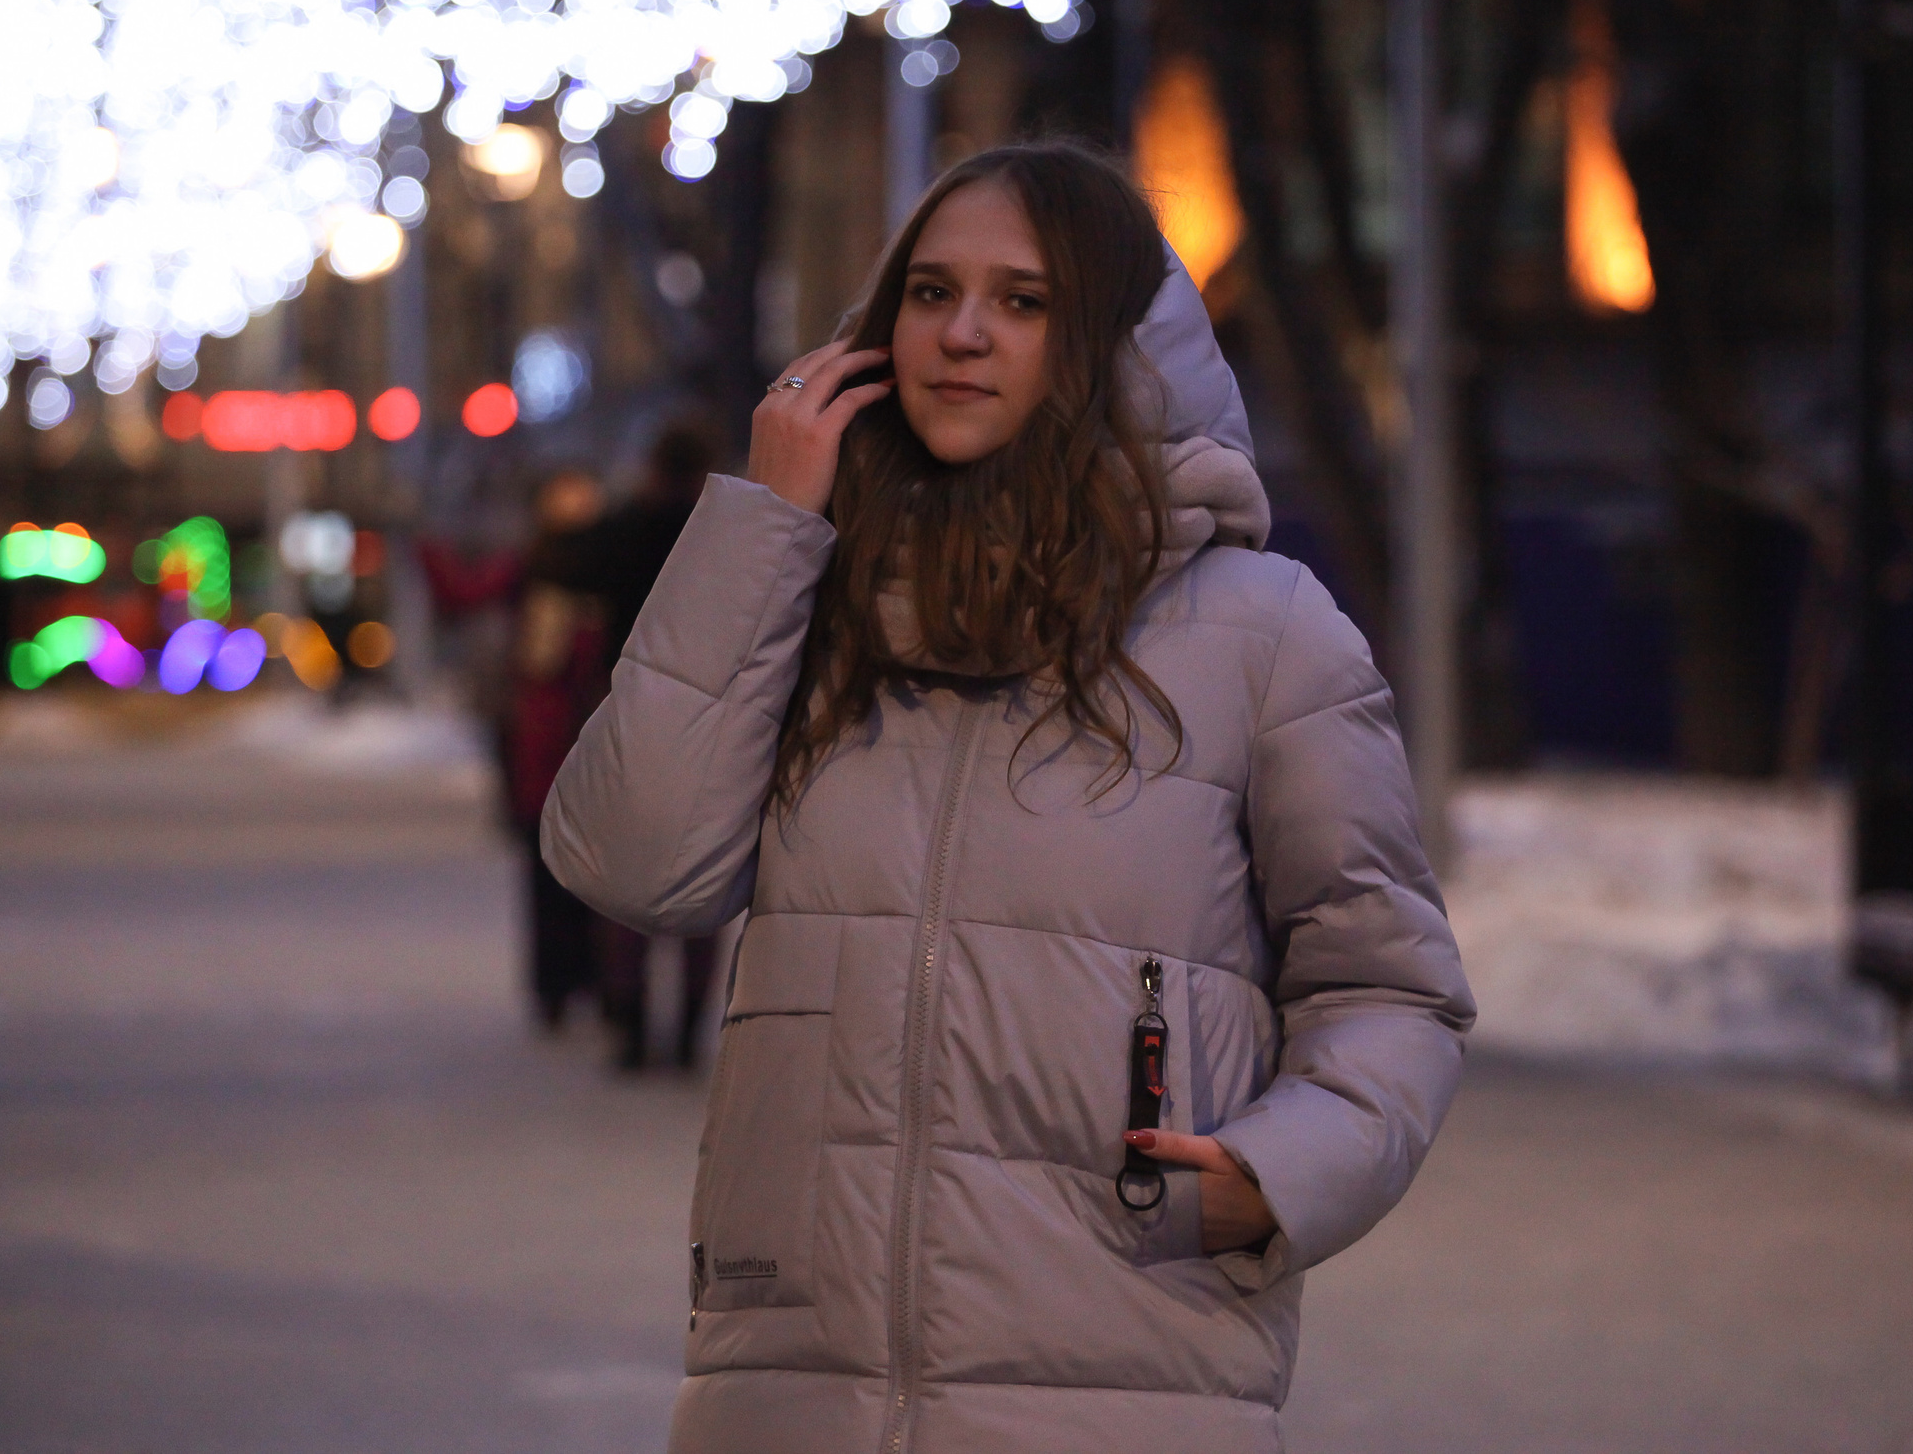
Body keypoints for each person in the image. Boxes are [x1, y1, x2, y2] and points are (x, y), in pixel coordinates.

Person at [543, 144, 1474, 1451]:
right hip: (792, 1381)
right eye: (929, 292)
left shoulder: (1262, 634)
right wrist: (760, 524)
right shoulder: (810, 604)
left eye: (1023, 301)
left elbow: (1391, 985)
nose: (963, 332)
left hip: (1123, 1376)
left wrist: (1273, 1177)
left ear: (1110, 347)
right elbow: (633, 863)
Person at [539, 420, 724, 1068]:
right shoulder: (725, 535)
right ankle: (688, 1032)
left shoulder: (624, 528)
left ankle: (633, 1026)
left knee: (625, 876)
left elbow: (560, 564)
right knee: (703, 873)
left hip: (630, 716)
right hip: (712, 722)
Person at [506, 471, 614, 1029]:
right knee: (546, 875)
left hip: (597, 746)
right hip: (545, 750)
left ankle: (596, 984)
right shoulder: (531, 569)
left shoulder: (613, 567)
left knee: (597, 878)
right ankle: (554, 988)